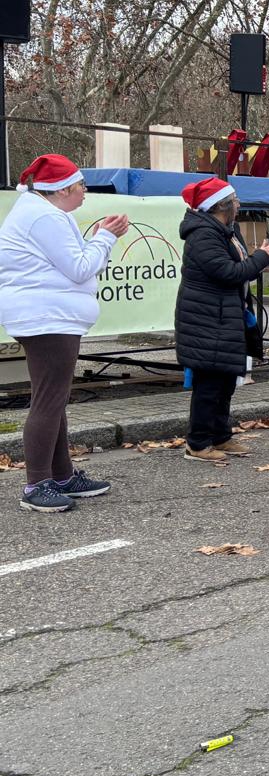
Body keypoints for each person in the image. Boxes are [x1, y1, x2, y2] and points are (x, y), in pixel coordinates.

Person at [0, 155, 128, 512]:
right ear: (64, 189)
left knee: (54, 398)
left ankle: (61, 475)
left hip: (47, 315)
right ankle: (36, 483)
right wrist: (106, 236)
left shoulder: (41, 212)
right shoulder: (45, 216)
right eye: (82, 186)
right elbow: (79, 267)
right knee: (49, 400)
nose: (86, 191)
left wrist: (100, 238)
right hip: (47, 317)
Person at [175, 177, 269, 462]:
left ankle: (220, 437)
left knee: (225, 382)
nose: (238, 204)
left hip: (223, 317)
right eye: (234, 200)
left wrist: (257, 256)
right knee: (209, 385)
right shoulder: (203, 235)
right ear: (221, 206)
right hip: (206, 319)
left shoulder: (225, 230)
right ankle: (197, 444)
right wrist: (262, 256)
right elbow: (229, 273)